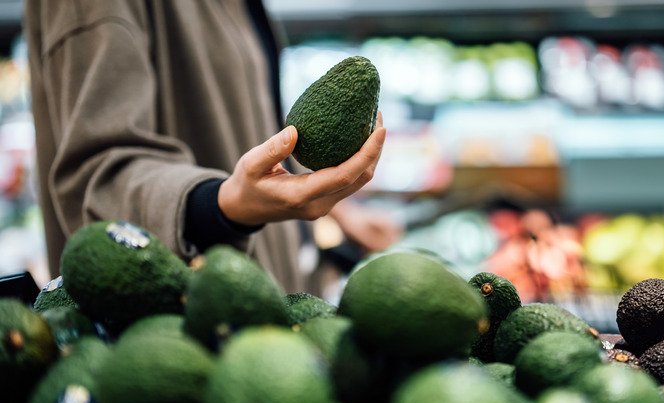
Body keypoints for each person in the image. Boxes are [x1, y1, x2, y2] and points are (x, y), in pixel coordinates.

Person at [23, 0, 402, 296]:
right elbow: (99, 177)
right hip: (178, 342)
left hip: (264, 306)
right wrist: (227, 203)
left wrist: (335, 210)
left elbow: (254, 128)